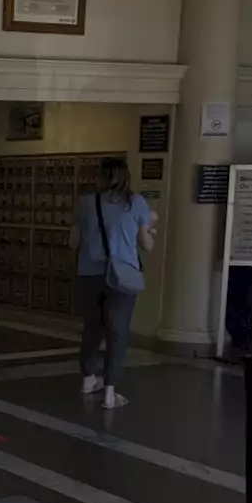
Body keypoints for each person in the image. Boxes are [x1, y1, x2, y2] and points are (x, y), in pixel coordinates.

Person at [70, 157, 157, 409]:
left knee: (92, 329)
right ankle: (110, 393)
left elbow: (73, 242)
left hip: (89, 275)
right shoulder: (136, 202)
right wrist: (150, 231)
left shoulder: (85, 202)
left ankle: (88, 379)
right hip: (121, 277)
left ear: (101, 176)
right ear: (125, 176)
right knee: (117, 333)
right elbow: (146, 245)